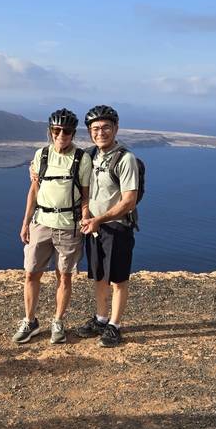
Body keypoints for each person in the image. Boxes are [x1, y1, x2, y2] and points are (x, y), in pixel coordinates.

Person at [13, 108, 92, 345]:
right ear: (50, 131)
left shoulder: (82, 159)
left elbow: (86, 196)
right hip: (41, 223)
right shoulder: (41, 155)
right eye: (57, 130)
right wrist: (26, 222)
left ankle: (58, 321)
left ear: (73, 133)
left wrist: (85, 218)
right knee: (31, 274)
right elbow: (34, 191)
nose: (62, 135)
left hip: (69, 226)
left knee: (64, 277)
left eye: (67, 131)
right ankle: (30, 321)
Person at [76, 105, 139, 348]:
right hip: (94, 227)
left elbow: (129, 201)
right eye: (95, 129)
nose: (100, 132)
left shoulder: (125, 159)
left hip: (117, 228)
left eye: (105, 128)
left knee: (118, 279)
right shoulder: (90, 156)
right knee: (99, 275)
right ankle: (101, 319)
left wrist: (98, 220)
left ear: (115, 129)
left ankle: (115, 325)